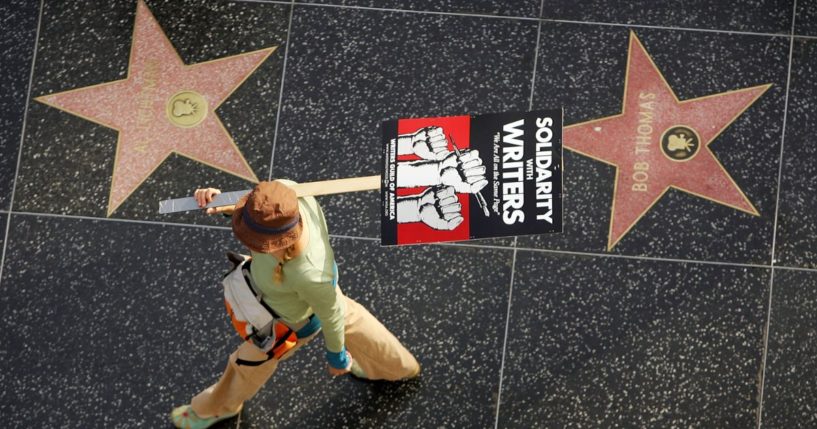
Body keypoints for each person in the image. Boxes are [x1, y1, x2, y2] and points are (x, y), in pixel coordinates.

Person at [171, 180, 421, 429]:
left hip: (289, 321)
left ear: (275, 245)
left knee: (247, 365)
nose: (247, 241)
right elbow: (263, 207)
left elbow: (330, 316)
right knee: (351, 317)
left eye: (251, 237)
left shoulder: (307, 274)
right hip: (315, 292)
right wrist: (227, 206)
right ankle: (398, 367)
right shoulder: (287, 196)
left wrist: (337, 358)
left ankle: (213, 409)